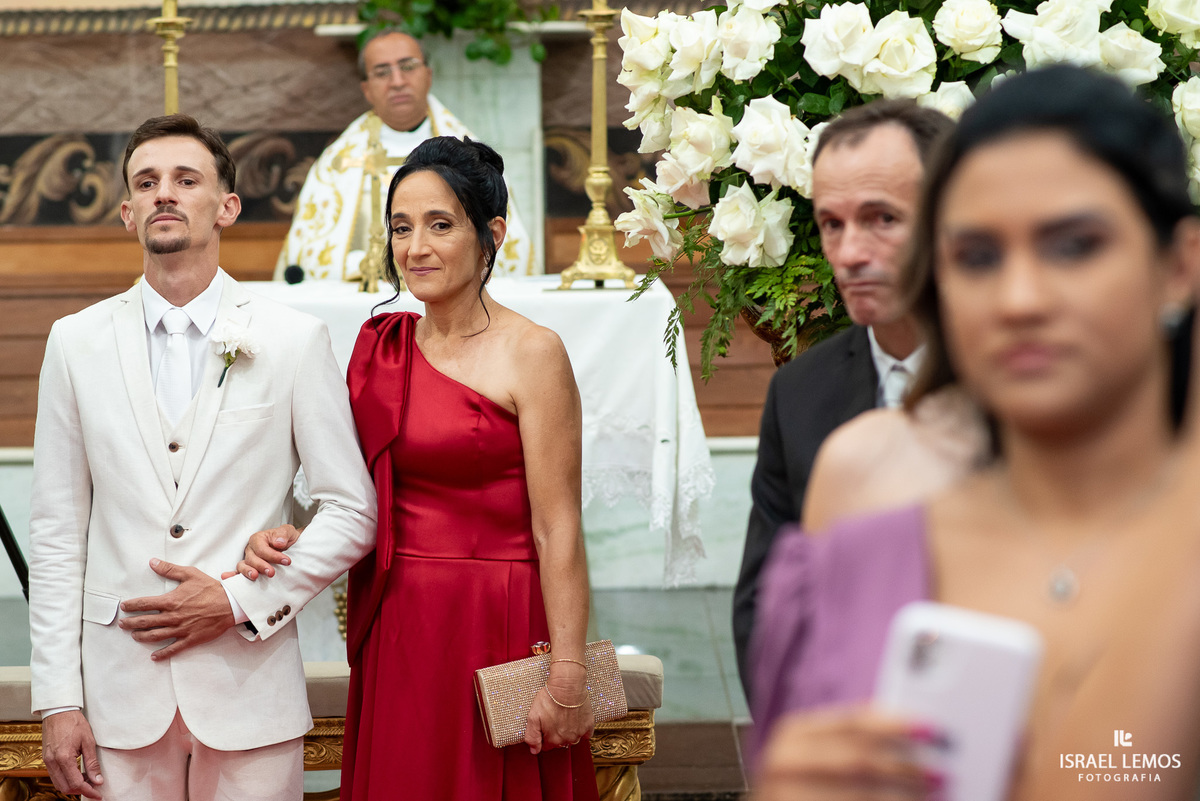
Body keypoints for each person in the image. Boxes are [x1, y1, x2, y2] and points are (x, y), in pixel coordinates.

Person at [751, 65, 1200, 800]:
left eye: (1074, 245)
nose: (1019, 300)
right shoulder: (864, 503)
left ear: (1179, 265)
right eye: (979, 256)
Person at [26, 114, 377, 801]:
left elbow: (351, 509)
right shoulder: (75, 343)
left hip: (249, 686)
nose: (166, 194)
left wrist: (239, 598)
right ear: (127, 212)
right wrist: (58, 699)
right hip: (120, 693)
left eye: (187, 180)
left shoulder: (292, 339)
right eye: (148, 182)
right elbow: (57, 531)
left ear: (226, 206)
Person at [239, 136, 598, 800]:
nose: (416, 248)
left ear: (490, 233)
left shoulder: (534, 353)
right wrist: (278, 529)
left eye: (440, 224)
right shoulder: (381, 349)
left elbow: (559, 528)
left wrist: (568, 673)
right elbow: (346, 492)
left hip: (500, 619)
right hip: (401, 625)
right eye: (401, 228)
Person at [732, 100, 955, 697]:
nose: (851, 253)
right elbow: (764, 605)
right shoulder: (801, 392)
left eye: (882, 218)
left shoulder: (1023, 382)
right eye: (832, 224)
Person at [275, 28, 534, 282]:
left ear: (428, 75)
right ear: (367, 89)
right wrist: (365, 266)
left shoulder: (470, 159)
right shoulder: (337, 164)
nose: (397, 81)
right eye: (382, 72)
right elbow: (309, 257)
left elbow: (506, 251)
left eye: (407, 66)